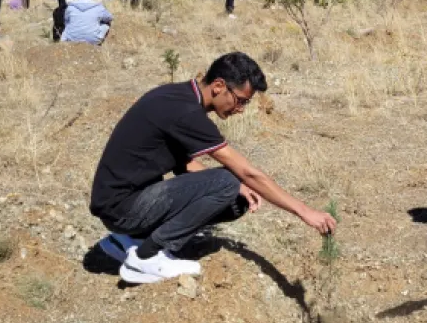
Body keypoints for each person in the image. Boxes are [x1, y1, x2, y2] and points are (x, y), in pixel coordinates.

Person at [89, 52, 338, 284]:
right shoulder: (185, 111)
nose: (240, 109)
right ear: (219, 86)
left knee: (235, 198)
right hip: (122, 208)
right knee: (227, 180)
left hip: (124, 201)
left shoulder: (179, 97)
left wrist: (239, 188)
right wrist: (304, 211)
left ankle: (128, 241)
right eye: (240, 101)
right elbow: (248, 172)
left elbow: (183, 163)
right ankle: (145, 257)